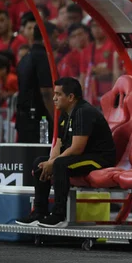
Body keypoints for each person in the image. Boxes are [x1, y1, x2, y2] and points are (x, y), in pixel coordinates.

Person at [16, 77, 116, 228]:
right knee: (39, 163)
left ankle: (58, 215)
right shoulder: (65, 113)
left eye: (58, 94)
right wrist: (50, 161)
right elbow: (59, 143)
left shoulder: (83, 112)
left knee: (60, 164)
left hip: (99, 159)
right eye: (54, 94)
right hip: (81, 157)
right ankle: (39, 212)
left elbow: (77, 148)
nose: (54, 98)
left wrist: (54, 163)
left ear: (70, 97)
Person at [15, 24, 54, 143]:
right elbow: (46, 92)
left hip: (23, 119)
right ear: (46, 38)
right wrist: (56, 117)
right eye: (55, 38)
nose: (57, 42)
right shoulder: (42, 57)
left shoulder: (26, 57)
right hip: (39, 121)